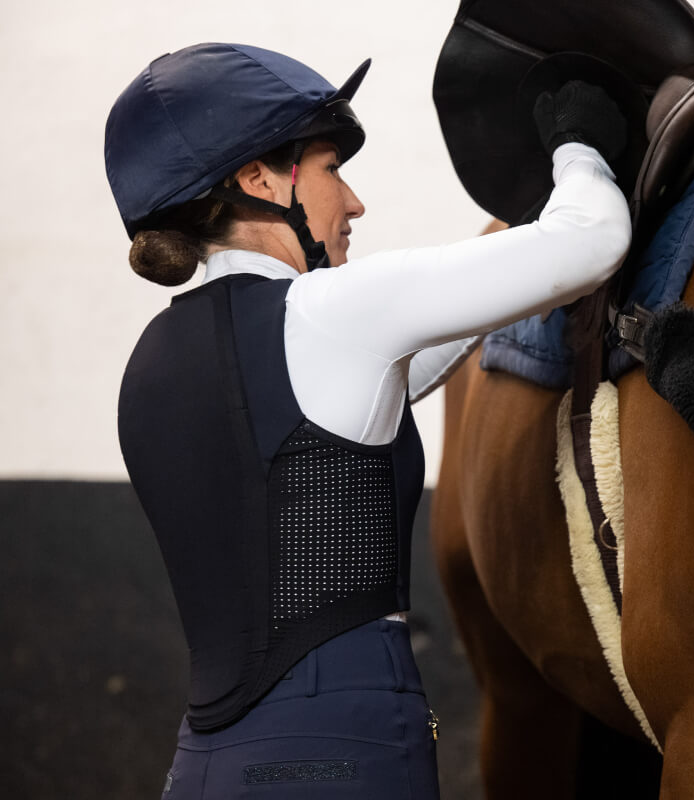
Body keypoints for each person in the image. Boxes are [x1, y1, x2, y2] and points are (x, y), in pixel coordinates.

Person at [105, 42, 631, 799]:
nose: (352, 203)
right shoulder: (330, 314)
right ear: (259, 179)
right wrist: (578, 142)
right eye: (329, 170)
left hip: (203, 768)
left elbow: (419, 352)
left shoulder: (150, 362)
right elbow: (594, 241)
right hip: (345, 758)